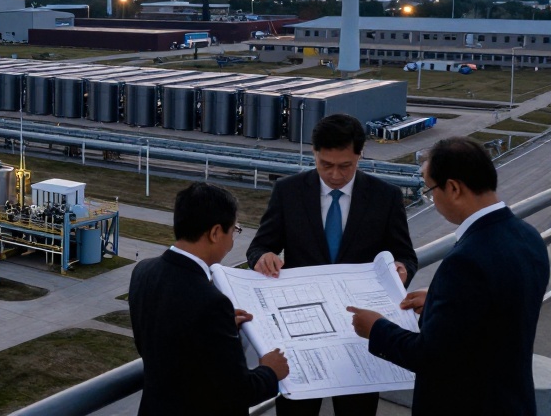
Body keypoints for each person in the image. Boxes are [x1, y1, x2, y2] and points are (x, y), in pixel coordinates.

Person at [346, 137, 549, 415]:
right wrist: (441, 299)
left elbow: (432, 357)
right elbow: (500, 309)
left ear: (453, 188)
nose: (433, 201)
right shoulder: (528, 236)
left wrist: (376, 329)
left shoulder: (466, 260)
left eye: (430, 191)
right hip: (512, 400)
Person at [245, 113, 417, 416]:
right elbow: (259, 245)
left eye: (345, 166)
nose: (335, 175)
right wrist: (262, 257)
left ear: (359, 155)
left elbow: (405, 255)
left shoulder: (385, 197)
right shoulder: (288, 191)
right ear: (314, 153)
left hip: (358, 332)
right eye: (326, 165)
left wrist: (402, 270)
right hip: (301, 332)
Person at [130, 182, 288, 415]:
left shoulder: (143, 271)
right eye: (234, 230)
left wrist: (219, 327)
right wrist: (270, 371)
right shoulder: (212, 302)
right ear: (215, 233)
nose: (233, 240)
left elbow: (160, 342)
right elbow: (238, 391)